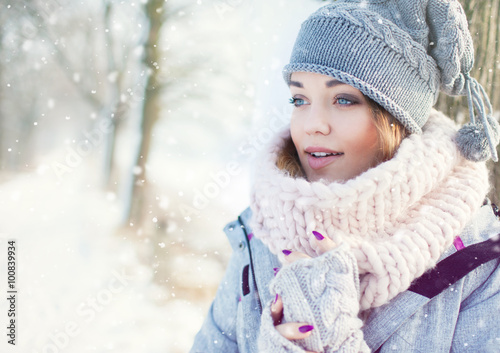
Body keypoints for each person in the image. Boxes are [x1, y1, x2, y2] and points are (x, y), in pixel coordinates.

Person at [190, 0, 500, 352]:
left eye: (344, 100)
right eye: (299, 99)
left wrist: (334, 340)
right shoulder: (262, 231)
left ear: (397, 119)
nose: (312, 125)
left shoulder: (481, 260)